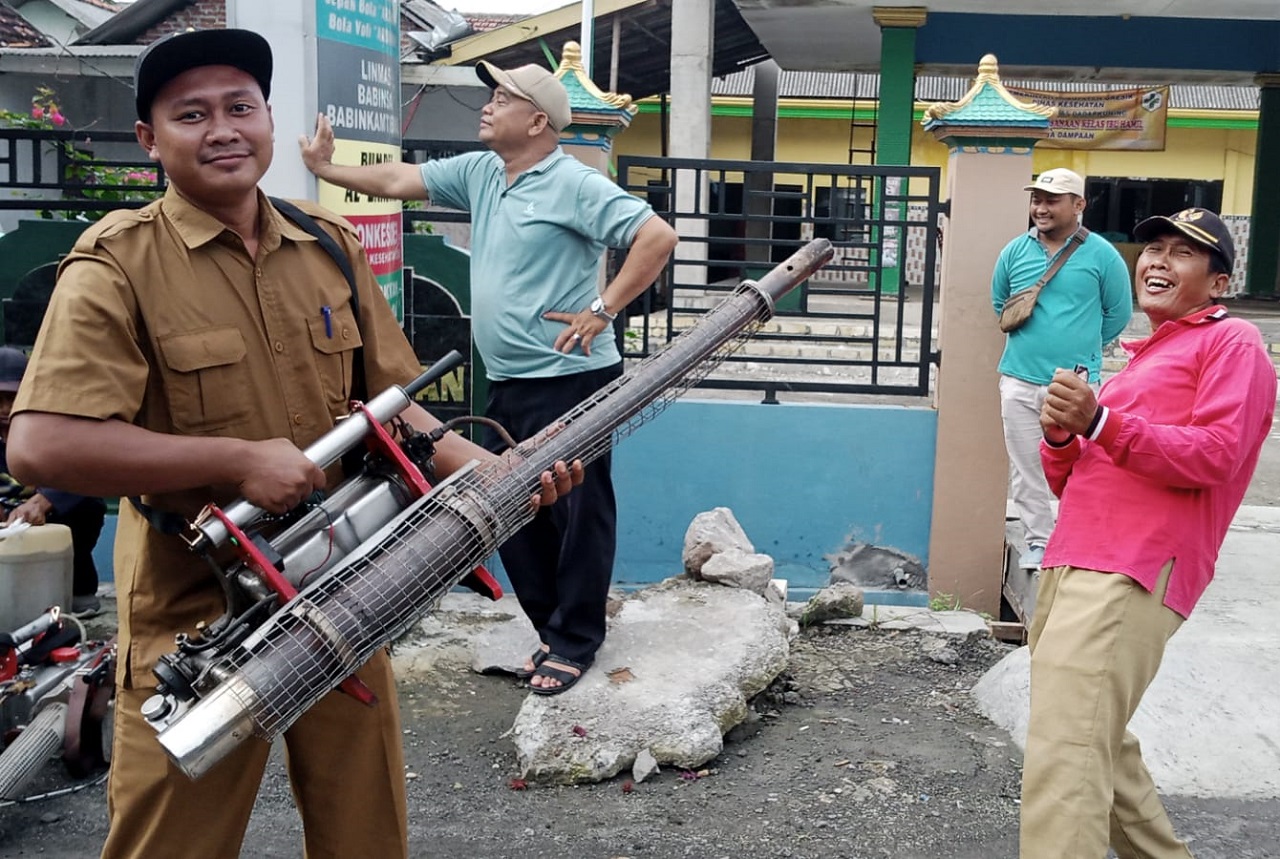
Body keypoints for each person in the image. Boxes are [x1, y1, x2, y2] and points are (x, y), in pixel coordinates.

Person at [5, 29, 580, 859]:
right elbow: (41, 445)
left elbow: (398, 410)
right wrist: (233, 461)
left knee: (364, 835)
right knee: (173, 841)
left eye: (241, 107)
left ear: (269, 121)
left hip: (341, 588)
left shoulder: (326, 248)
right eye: (191, 114)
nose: (223, 129)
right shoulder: (117, 265)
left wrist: (500, 476)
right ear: (149, 139)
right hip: (191, 611)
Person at [299, 61, 679, 694]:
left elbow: (656, 235)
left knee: (578, 510)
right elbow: (399, 178)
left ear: (536, 120)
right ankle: (549, 632)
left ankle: (577, 639)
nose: (487, 105)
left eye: (502, 98)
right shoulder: (482, 173)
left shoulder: (574, 184)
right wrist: (325, 168)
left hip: (575, 378)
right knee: (513, 509)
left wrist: (602, 308)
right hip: (508, 380)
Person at [1023, 207, 1275, 858]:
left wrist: (1101, 421)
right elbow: (1075, 479)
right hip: (1075, 561)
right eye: (1153, 247)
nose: (1158, 260)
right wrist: (1060, 433)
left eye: (1183, 253)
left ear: (1219, 283)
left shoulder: (1232, 342)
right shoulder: (1140, 362)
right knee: (1095, 745)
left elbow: (1216, 453)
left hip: (1128, 568)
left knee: (1066, 756)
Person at [991, 168, 1132, 570]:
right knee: (1026, 468)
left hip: (1077, 383)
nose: (1041, 207)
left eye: (1052, 200)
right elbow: (1001, 304)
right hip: (1017, 379)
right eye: (1036, 199)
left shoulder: (1102, 254)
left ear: (1079, 205)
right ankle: (1039, 542)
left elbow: (1117, 313)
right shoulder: (1014, 252)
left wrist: (1079, 346)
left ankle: (1080, 539)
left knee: (1086, 464)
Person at [0, 346, 106, 617]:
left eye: (13, 398)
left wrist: (42, 502)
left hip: (48, 526)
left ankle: (76, 586)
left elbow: (88, 465)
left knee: (86, 503)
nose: (5, 409)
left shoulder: (51, 429)